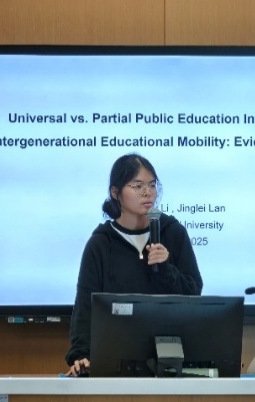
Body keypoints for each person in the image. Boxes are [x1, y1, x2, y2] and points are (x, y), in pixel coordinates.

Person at [65, 153, 203, 376]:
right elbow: (85, 307)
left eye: (152, 185)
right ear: (115, 192)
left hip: (171, 361)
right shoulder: (101, 243)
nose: (148, 192)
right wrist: (81, 355)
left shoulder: (173, 233)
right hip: (116, 361)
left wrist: (166, 269)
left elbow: (193, 295)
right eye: (137, 186)